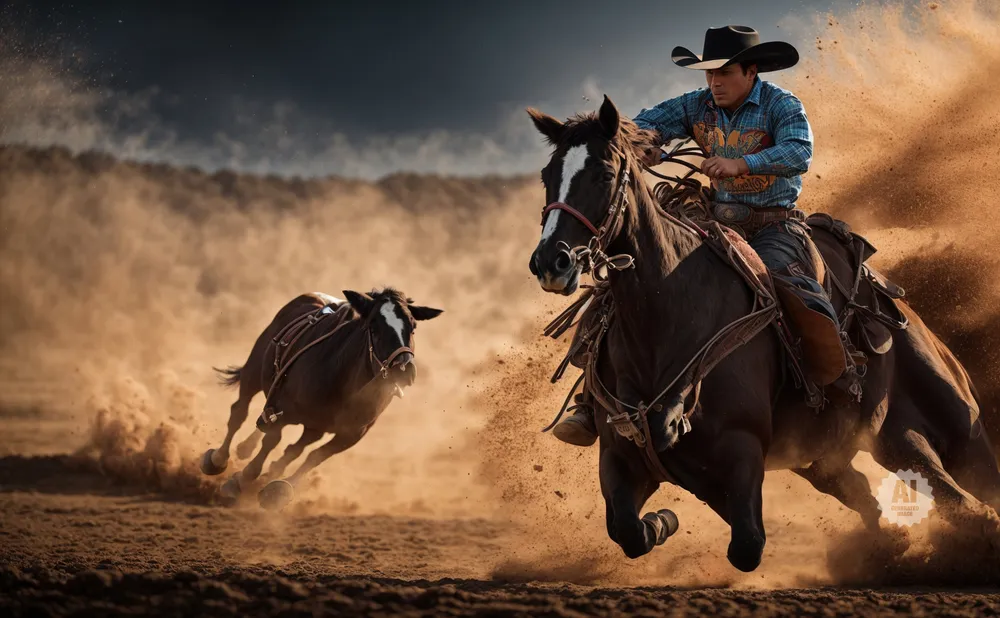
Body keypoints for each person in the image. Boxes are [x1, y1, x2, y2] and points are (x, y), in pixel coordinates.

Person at [552, 25, 849, 447]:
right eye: (708, 73)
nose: (713, 82)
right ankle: (589, 399)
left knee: (788, 285)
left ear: (750, 72)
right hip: (715, 223)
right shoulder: (697, 105)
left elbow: (799, 152)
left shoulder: (783, 105)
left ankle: (826, 382)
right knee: (627, 282)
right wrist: (646, 145)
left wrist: (741, 164)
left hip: (775, 225)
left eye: (723, 73)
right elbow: (644, 125)